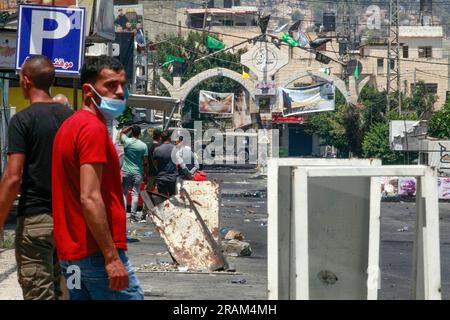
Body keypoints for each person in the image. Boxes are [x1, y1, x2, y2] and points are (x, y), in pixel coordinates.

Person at [52, 55, 144, 300]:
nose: (120, 92)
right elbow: (90, 197)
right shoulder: (91, 129)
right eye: (111, 85)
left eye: (123, 85)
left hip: (70, 256)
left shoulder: (69, 126)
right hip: (96, 256)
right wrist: (112, 258)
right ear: (88, 90)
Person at [0, 55, 73, 300]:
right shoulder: (72, 119)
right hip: (70, 220)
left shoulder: (22, 120)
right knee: (65, 289)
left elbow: (13, 177)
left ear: (26, 80)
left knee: (39, 293)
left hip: (36, 219)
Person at [120, 125, 148, 223]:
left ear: (132, 132)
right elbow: (145, 162)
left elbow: (122, 133)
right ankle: (133, 215)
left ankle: (123, 213)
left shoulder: (127, 141)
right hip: (138, 172)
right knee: (135, 194)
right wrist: (145, 174)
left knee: (124, 192)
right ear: (140, 133)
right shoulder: (143, 146)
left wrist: (130, 127)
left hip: (126, 171)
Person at [153, 131, 177, 196]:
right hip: (173, 178)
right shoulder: (175, 148)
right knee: (173, 199)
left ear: (161, 138)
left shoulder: (157, 150)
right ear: (170, 138)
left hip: (161, 178)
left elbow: (155, 164)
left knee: (162, 200)